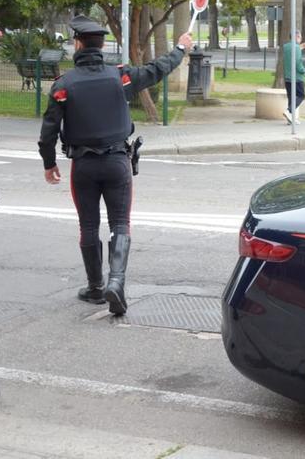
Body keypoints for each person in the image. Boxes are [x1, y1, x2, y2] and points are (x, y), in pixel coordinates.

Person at [40, 16, 191, 316]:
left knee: (88, 225)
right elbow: (157, 70)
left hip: (83, 166)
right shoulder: (119, 76)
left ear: (78, 44)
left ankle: (95, 287)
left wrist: (49, 163)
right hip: (117, 163)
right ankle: (117, 283)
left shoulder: (63, 85)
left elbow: (48, 130)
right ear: (103, 45)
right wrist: (179, 49)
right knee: (120, 223)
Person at [281, 30, 305, 124]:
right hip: (297, 77)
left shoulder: (286, 47)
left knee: (291, 97)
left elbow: (291, 55)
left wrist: (299, 48)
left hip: (287, 76)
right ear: (296, 37)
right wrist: (303, 70)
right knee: (301, 95)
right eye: (300, 37)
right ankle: (289, 111)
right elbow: (298, 62)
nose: (301, 39)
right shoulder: (296, 48)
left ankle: (291, 118)